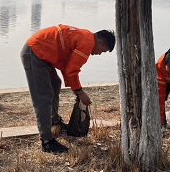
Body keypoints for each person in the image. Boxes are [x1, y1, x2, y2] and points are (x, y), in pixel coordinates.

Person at [21, 25, 116, 153]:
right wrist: (80, 92)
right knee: (43, 97)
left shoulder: (86, 37)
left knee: (55, 84)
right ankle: (47, 141)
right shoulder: (86, 44)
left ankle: (54, 121)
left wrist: (75, 88)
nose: (99, 54)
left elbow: (68, 67)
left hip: (41, 52)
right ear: (99, 42)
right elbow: (72, 71)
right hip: (35, 52)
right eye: (102, 51)